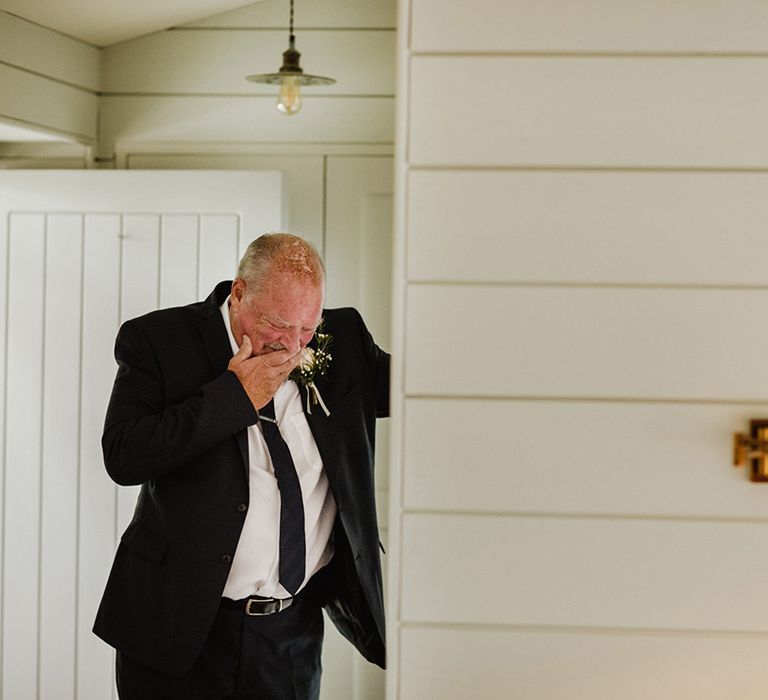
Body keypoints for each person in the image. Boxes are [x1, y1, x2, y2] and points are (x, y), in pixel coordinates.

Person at [93, 233, 389, 699]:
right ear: (239, 292)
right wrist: (235, 397)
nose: (293, 345)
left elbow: (419, 389)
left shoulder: (345, 338)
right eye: (277, 324)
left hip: (290, 635)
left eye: (307, 329)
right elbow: (124, 454)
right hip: (176, 629)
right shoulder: (157, 340)